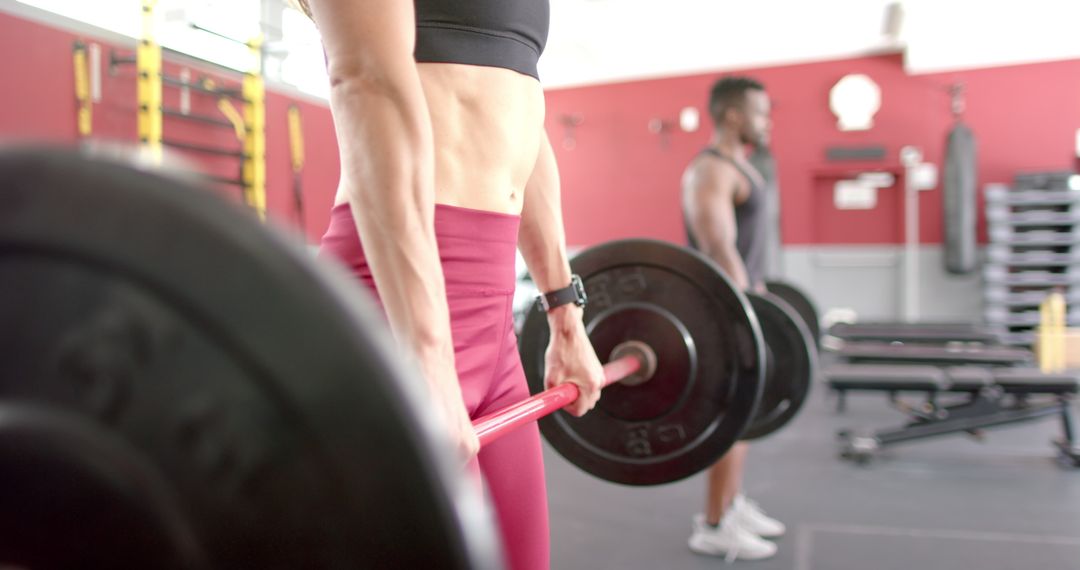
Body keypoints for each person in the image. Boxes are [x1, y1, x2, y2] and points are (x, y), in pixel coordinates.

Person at [297, 1, 607, 569]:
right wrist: (425, 356)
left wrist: (565, 315)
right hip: (396, 310)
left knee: (523, 559)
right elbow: (366, 82)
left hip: (493, 324)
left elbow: (521, 129)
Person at [680, 76, 786, 561]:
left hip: (743, 305)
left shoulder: (739, 166)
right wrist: (749, 316)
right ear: (733, 115)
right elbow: (718, 245)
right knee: (733, 418)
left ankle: (732, 504)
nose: (767, 122)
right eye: (761, 113)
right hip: (723, 314)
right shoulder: (711, 170)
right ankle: (715, 524)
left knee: (744, 419)